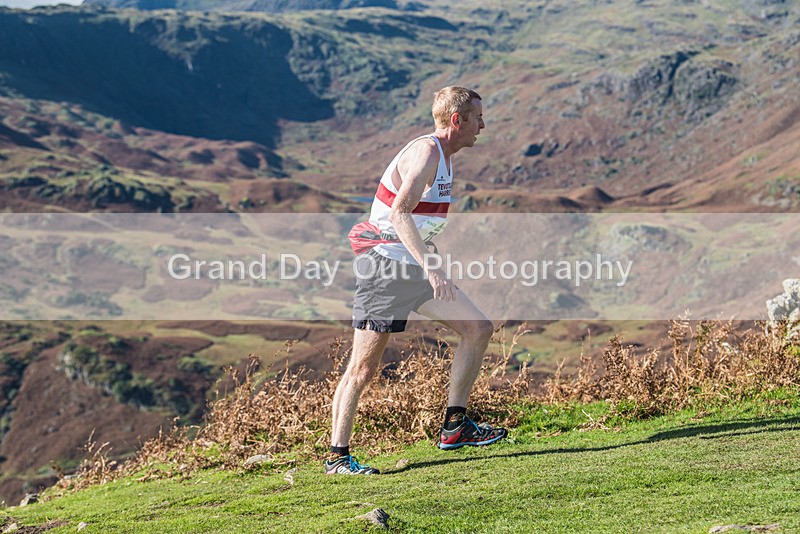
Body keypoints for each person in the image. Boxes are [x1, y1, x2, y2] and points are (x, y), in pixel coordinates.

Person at [325, 86, 507, 475]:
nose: (483, 125)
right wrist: (432, 267)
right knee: (362, 369)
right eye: (477, 118)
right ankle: (337, 458)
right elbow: (399, 212)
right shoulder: (426, 152)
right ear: (457, 120)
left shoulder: (444, 155)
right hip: (386, 269)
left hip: (412, 265)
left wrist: (425, 261)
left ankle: (454, 429)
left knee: (478, 328)